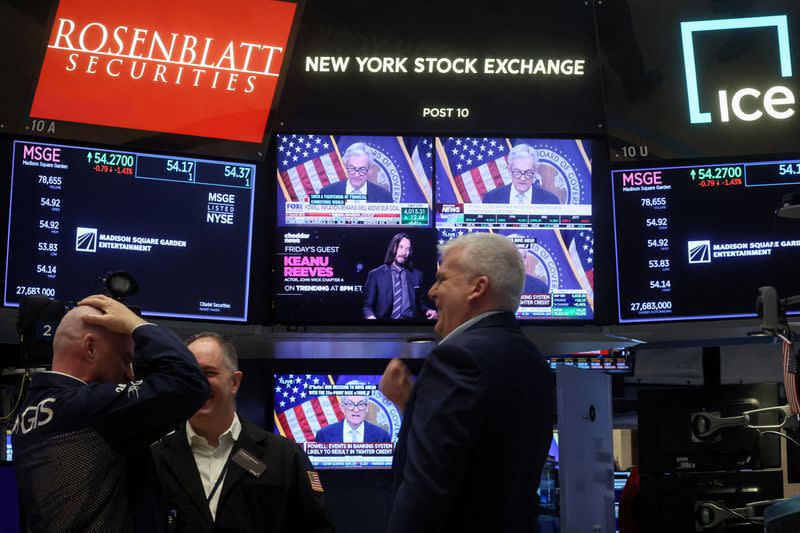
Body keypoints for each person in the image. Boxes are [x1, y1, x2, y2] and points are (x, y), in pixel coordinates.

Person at [380, 232, 555, 533]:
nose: (433, 291)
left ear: (477, 287)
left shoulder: (456, 357)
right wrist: (415, 406)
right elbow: (483, 453)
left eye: (442, 279)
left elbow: (425, 491)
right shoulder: (533, 361)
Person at [11, 295, 211, 533]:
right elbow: (189, 382)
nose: (130, 375)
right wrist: (137, 325)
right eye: (126, 360)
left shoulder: (27, 413)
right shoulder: (89, 409)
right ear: (91, 347)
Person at [151, 332, 333, 533]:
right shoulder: (155, 459)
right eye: (188, 374)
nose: (197, 383)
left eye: (209, 373)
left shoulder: (284, 457)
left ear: (235, 383)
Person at [363, 233, 438, 321]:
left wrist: (428, 310)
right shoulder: (375, 275)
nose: (404, 253)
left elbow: (420, 303)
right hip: (383, 325)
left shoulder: (417, 275)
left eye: (407, 249)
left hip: (410, 326)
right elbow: (367, 307)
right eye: (400, 247)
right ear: (393, 248)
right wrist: (372, 318)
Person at [482, 143, 561, 205]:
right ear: (509, 170)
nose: (522, 178)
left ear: (535, 171)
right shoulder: (491, 199)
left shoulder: (551, 201)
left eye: (528, 172)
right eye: (517, 172)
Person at [317, 142, 394, 203]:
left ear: (369, 168)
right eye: (352, 168)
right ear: (345, 165)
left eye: (362, 169)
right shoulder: (327, 193)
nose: (357, 175)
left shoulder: (384, 197)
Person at [314, 392, 391, 443]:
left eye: (361, 404)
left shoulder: (382, 436)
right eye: (350, 404)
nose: (356, 410)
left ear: (367, 407)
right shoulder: (323, 436)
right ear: (342, 407)